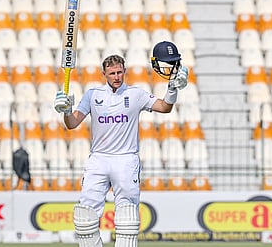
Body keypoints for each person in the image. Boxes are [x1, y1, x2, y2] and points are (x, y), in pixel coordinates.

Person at [54, 41, 189, 247]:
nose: (116, 77)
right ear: (104, 74)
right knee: (84, 217)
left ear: (124, 71)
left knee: (127, 219)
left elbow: (164, 107)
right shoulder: (93, 95)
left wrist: (172, 89)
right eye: (112, 73)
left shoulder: (135, 94)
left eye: (119, 72)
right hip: (98, 159)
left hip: (126, 159)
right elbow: (72, 123)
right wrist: (65, 111)